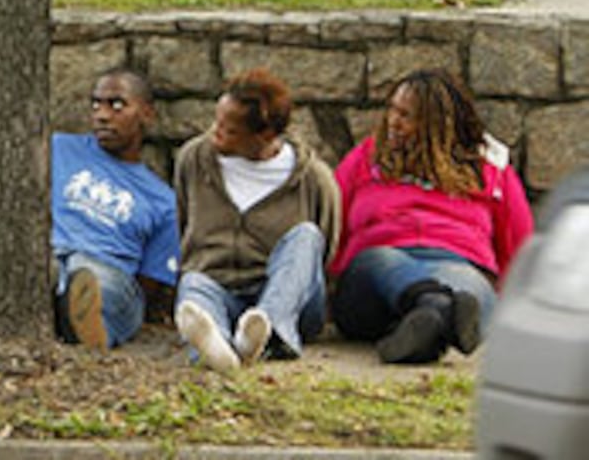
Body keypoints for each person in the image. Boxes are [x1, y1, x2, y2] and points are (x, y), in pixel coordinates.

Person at [330, 69, 534, 364]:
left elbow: (518, 239)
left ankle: (426, 329)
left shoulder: (486, 166)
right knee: (380, 262)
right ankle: (435, 305)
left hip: (457, 264)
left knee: (467, 287)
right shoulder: (370, 155)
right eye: (392, 110)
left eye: (406, 115)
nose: (393, 122)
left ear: (436, 125)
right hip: (373, 278)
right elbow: (332, 215)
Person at [173, 69, 341, 373]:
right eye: (216, 122)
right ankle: (219, 348)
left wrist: (282, 295)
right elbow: (183, 223)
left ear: (265, 135)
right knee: (193, 282)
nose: (215, 133)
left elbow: (323, 250)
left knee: (307, 235)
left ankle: (268, 331)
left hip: (289, 300)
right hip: (220, 287)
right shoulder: (194, 159)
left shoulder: (314, 180)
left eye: (230, 130)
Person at [50, 69, 178, 350]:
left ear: (147, 114)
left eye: (117, 105)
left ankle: (92, 328)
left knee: (90, 277)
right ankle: (71, 318)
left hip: (110, 274)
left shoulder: (163, 201)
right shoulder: (58, 149)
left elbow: (149, 284)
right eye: (96, 104)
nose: (102, 115)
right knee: (53, 267)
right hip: (53, 255)